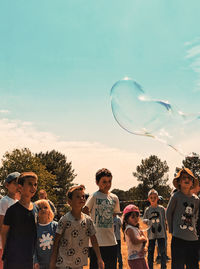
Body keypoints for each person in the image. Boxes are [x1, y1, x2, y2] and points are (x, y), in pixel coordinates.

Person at [50, 185, 104, 269]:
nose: (82, 198)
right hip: (64, 263)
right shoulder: (64, 220)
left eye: (83, 196)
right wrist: (52, 262)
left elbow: (94, 240)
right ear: (69, 201)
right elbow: (56, 242)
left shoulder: (88, 220)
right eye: (78, 197)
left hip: (79, 264)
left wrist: (99, 258)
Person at [83, 168, 120, 269]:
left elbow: (114, 214)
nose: (107, 184)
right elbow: (84, 211)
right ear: (97, 182)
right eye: (104, 182)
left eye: (109, 181)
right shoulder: (94, 196)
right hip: (97, 243)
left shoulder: (115, 198)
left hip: (112, 242)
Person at [1, 172, 38, 269]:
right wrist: (6, 254)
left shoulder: (36, 208)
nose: (33, 187)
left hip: (30, 258)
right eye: (30, 184)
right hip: (13, 259)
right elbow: (4, 232)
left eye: (35, 184)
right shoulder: (12, 210)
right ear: (20, 187)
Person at [166, 167, 199, 269]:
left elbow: (196, 216)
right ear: (179, 182)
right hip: (178, 239)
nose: (187, 180)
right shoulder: (176, 196)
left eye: (189, 178)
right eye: (184, 178)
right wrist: (172, 230)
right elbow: (168, 213)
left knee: (193, 266)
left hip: (193, 240)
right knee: (177, 266)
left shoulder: (196, 200)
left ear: (192, 183)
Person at [0, 171, 20, 269]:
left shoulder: (18, 201)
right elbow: (2, 225)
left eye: (19, 183)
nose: (18, 186)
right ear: (7, 185)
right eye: (15, 183)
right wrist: (5, 246)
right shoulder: (4, 201)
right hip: (4, 244)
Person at [143, 189, 167, 269]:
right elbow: (144, 220)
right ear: (148, 199)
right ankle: (150, 267)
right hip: (151, 235)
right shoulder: (147, 210)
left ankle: (163, 267)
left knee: (163, 253)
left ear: (157, 198)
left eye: (155, 197)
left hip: (161, 234)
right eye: (151, 197)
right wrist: (147, 221)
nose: (153, 199)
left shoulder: (162, 209)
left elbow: (165, 220)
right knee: (150, 253)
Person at [122, 204, 149, 269]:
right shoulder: (129, 229)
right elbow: (135, 241)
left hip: (140, 257)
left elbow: (146, 240)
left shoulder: (137, 228)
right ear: (127, 219)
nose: (136, 218)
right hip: (134, 259)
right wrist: (142, 238)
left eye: (137, 216)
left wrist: (145, 247)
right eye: (133, 217)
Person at [34, 199, 58, 269]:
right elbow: (33, 247)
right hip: (40, 264)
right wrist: (35, 261)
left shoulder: (55, 226)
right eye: (39, 208)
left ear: (49, 210)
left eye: (45, 207)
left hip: (54, 263)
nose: (43, 210)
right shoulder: (34, 228)